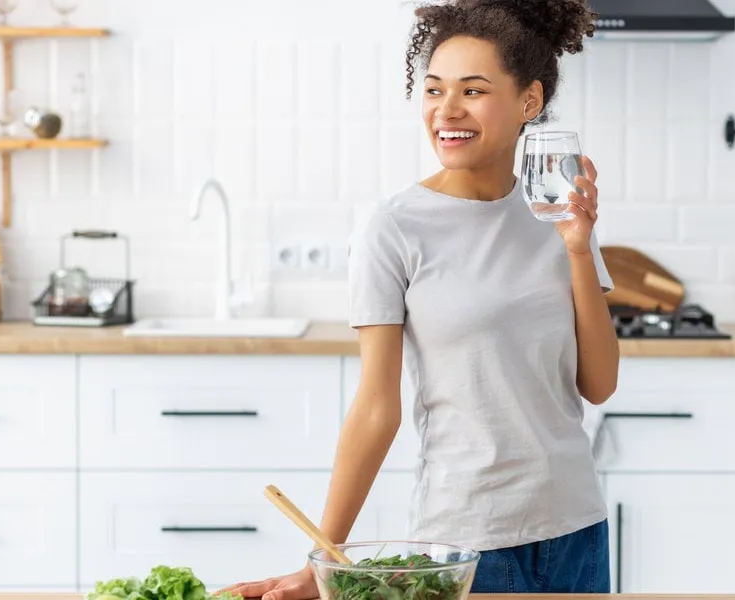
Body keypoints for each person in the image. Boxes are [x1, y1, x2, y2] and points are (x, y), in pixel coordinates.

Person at [220, 0, 617, 597]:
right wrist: (321, 561)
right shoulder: (395, 227)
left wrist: (579, 249)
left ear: (529, 102)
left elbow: (599, 384)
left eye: (473, 91)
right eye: (433, 90)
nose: (446, 111)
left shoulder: (557, 215)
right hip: (468, 540)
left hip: (578, 528)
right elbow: (377, 408)